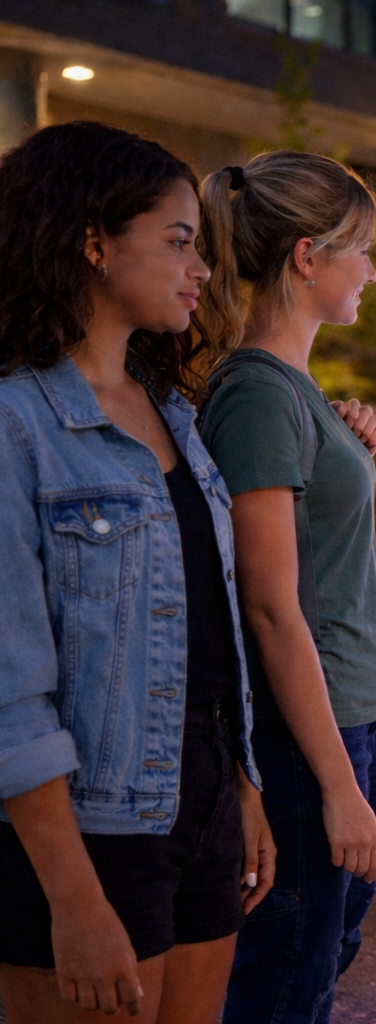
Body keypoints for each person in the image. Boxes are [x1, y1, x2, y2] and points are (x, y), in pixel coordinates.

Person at [0, 122, 275, 1023]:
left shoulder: (172, 413)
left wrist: (241, 792)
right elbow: (9, 692)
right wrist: (73, 900)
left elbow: (207, 631)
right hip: (88, 828)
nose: (202, 268)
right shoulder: (15, 424)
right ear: (94, 243)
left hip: (199, 800)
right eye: (179, 241)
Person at [196, 153, 376, 1024]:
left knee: (320, 957)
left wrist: (351, 442)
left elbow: (318, 539)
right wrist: (337, 786)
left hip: (356, 714)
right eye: (363, 251)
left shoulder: (292, 391)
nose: (373, 273)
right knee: (285, 986)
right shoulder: (257, 397)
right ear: (308, 257)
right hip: (312, 737)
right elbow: (272, 610)